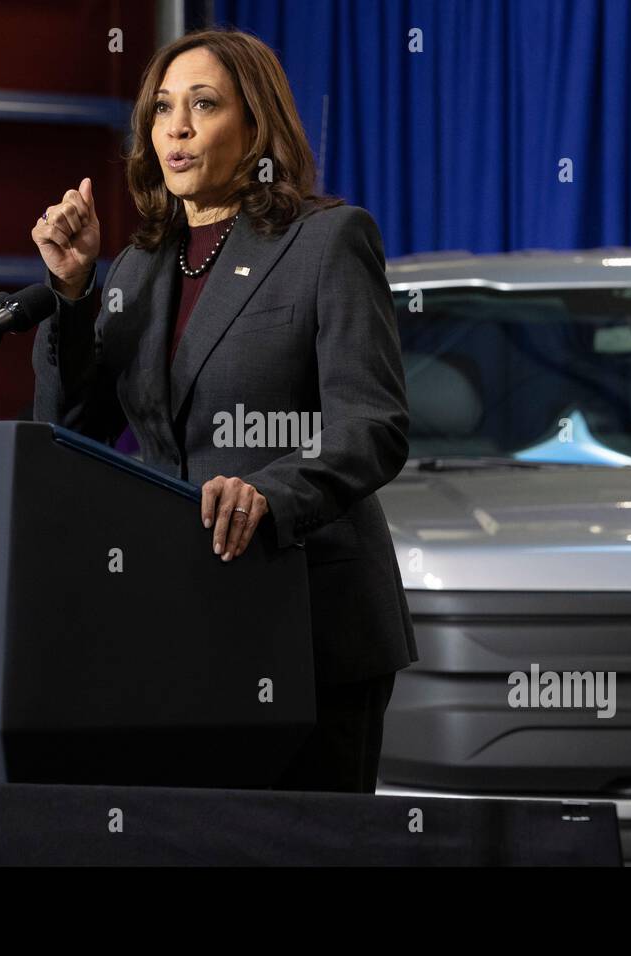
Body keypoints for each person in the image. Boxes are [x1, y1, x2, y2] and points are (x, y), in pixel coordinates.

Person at [30, 27, 416, 793]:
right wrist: (72, 296)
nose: (175, 127)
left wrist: (272, 493)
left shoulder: (327, 239)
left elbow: (371, 423)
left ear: (256, 124)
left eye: (203, 105)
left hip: (308, 623)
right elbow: (72, 432)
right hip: (180, 622)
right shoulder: (138, 267)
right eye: (162, 108)